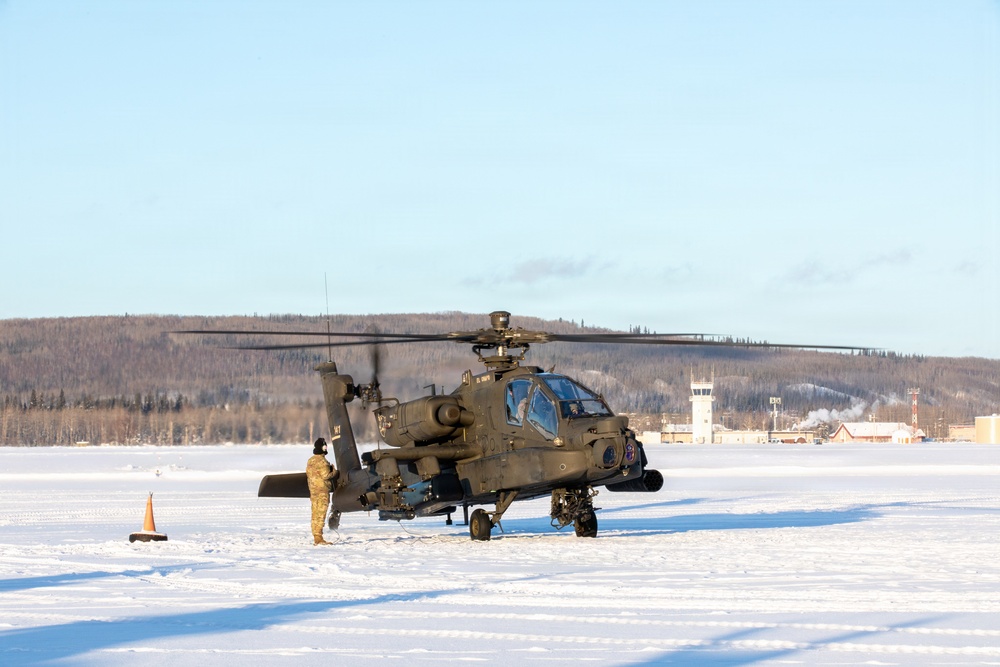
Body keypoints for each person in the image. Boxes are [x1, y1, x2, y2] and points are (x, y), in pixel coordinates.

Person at [306, 437, 339, 545]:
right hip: (322, 492)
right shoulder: (322, 461)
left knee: (315, 513)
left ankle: (316, 536)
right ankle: (319, 538)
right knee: (321, 514)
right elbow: (326, 475)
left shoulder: (310, 460)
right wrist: (334, 471)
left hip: (313, 491)